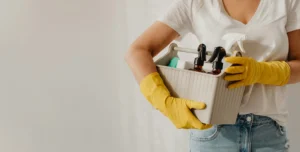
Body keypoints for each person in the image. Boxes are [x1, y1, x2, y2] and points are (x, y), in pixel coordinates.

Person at [125, 0, 300, 151]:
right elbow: (137, 52)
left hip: (268, 135)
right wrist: (165, 102)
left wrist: (262, 72)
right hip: (212, 133)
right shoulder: (196, 3)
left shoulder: (286, 3)